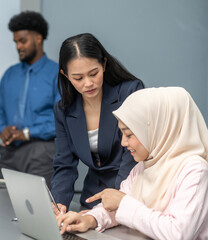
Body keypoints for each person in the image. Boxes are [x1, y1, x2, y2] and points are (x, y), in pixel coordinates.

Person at [57, 87, 208, 239]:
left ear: (156, 129)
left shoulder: (195, 170)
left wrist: (123, 202)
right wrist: (90, 219)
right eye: (121, 134)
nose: (123, 142)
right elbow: (117, 207)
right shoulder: (143, 167)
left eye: (129, 134)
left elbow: (178, 234)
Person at [51, 33, 144, 210]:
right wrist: (58, 204)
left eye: (93, 73)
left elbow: (132, 156)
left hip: (129, 195)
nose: (88, 83)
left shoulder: (129, 92)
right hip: (91, 198)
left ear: (104, 64)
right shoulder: (63, 110)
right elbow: (64, 164)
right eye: (78, 78)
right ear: (65, 75)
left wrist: (111, 206)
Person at [0, 11, 59, 186]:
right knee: (0, 203)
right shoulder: (10, 74)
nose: (18, 47)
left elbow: (61, 119)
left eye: (22, 41)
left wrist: (27, 133)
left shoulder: (56, 74)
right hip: (9, 151)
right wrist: (2, 129)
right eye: (15, 42)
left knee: (39, 209)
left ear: (38, 38)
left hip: (41, 151)